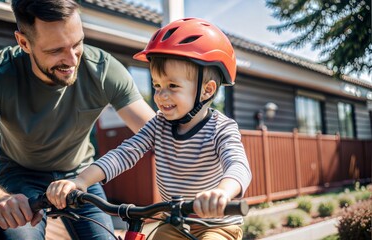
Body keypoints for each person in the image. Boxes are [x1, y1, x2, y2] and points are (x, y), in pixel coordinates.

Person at [0, 0, 155, 239]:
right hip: (20, 176)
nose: (73, 59)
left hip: (79, 175)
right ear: (24, 42)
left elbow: (157, 133)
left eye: (77, 44)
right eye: (56, 50)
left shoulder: (104, 69)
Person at [47, 18, 252, 240]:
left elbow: (238, 165)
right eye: (157, 85)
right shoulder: (158, 125)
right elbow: (125, 154)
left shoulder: (221, 129)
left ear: (207, 90)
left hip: (216, 226)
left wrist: (222, 193)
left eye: (172, 86)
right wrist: (81, 181)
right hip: (174, 223)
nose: (161, 95)